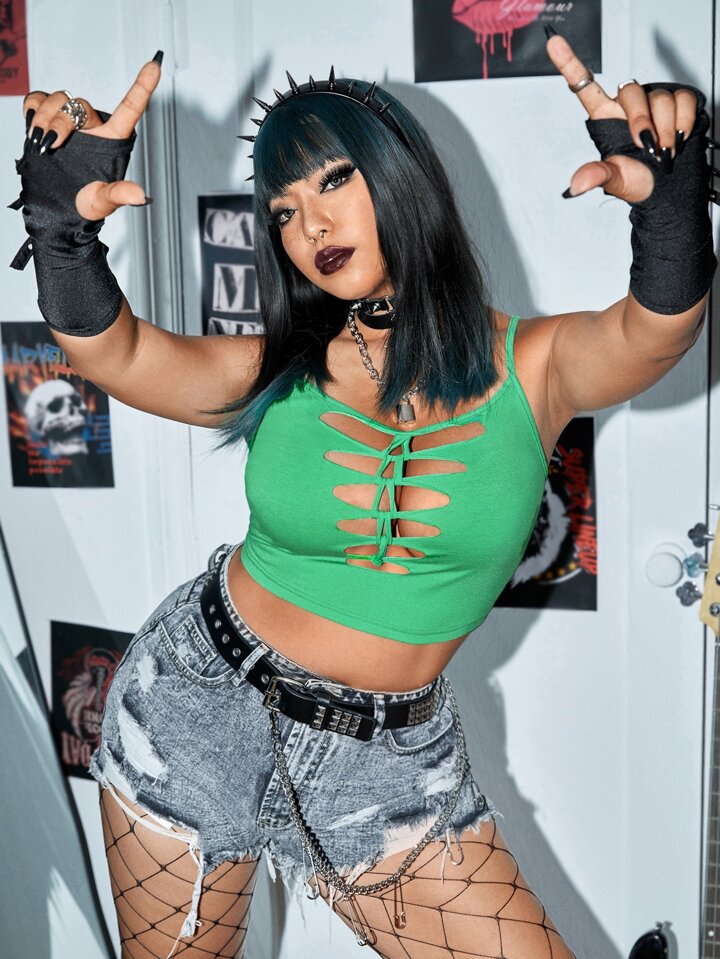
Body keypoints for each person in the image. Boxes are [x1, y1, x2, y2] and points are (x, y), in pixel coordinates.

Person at [10, 28, 715, 959]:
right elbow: (119, 353)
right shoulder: (280, 368)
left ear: (400, 177)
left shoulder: (533, 365)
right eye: (284, 210)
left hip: (384, 764)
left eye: (334, 181)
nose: (309, 227)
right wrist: (62, 233)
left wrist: (668, 210)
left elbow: (656, 330)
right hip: (198, 703)